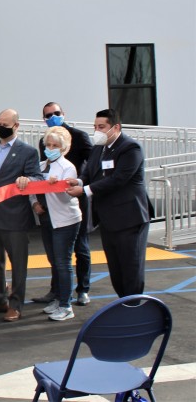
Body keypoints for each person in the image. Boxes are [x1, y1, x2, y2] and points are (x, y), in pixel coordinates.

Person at [66, 109, 150, 298]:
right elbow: (89, 173)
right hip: (108, 219)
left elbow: (119, 179)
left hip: (130, 219)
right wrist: (78, 181)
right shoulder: (98, 148)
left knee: (131, 268)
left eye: (101, 127)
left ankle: (134, 308)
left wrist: (85, 190)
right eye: (95, 127)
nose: (97, 130)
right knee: (116, 268)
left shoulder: (130, 148)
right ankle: (124, 303)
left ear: (116, 127)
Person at [0, 109, 42, 322]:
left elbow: (36, 176)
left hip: (15, 215)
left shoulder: (28, 151)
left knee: (18, 262)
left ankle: (16, 304)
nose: (0, 127)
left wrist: (27, 180)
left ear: (16, 126)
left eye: (5, 124)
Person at [33, 102, 93, 307]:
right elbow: (40, 176)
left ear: (63, 113)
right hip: (51, 205)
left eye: (56, 113)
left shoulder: (80, 137)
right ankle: (57, 292)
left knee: (80, 249)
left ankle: (82, 290)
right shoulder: (45, 144)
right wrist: (38, 201)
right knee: (56, 256)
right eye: (48, 115)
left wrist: (77, 182)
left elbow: (91, 165)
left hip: (74, 199)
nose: (52, 116)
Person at [24, 126, 81, 321]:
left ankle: (66, 305)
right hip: (47, 218)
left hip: (65, 220)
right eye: (48, 144)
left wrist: (54, 185)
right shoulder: (40, 166)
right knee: (54, 261)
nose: (50, 148)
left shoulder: (68, 167)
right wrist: (34, 204)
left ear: (63, 147)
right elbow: (32, 188)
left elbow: (67, 197)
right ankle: (58, 298)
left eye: (55, 145)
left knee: (63, 263)